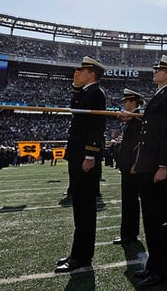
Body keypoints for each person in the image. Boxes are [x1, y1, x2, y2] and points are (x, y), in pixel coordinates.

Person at [132, 55, 167, 286]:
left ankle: (162, 270)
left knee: (159, 220)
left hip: (156, 167)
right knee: (151, 219)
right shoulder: (160, 95)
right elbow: (148, 136)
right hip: (147, 165)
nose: (155, 71)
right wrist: (139, 161)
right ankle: (153, 265)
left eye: (159, 69)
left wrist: (164, 165)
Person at [55, 56, 107, 273]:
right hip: (77, 154)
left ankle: (82, 256)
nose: (78, 73)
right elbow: (75, 110)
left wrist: (90, 155)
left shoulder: (97, 93)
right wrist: (76, 88)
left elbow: (96, 126)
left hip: (84, 156)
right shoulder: (87, 92)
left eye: (82, 70)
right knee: (79, 205)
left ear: (91, 72)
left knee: (85, 207)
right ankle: (78, 253)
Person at [113, 88, 145, 246]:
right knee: (128, 200)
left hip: (132, 166)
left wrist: (136, 164)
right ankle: (127, 233)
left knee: (130, 200)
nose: (124, 104)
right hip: (127, 164)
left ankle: (129, 234)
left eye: (126, 101)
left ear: (133, 102)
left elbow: (140, 144)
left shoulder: (138, 118)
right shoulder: (132, 119)